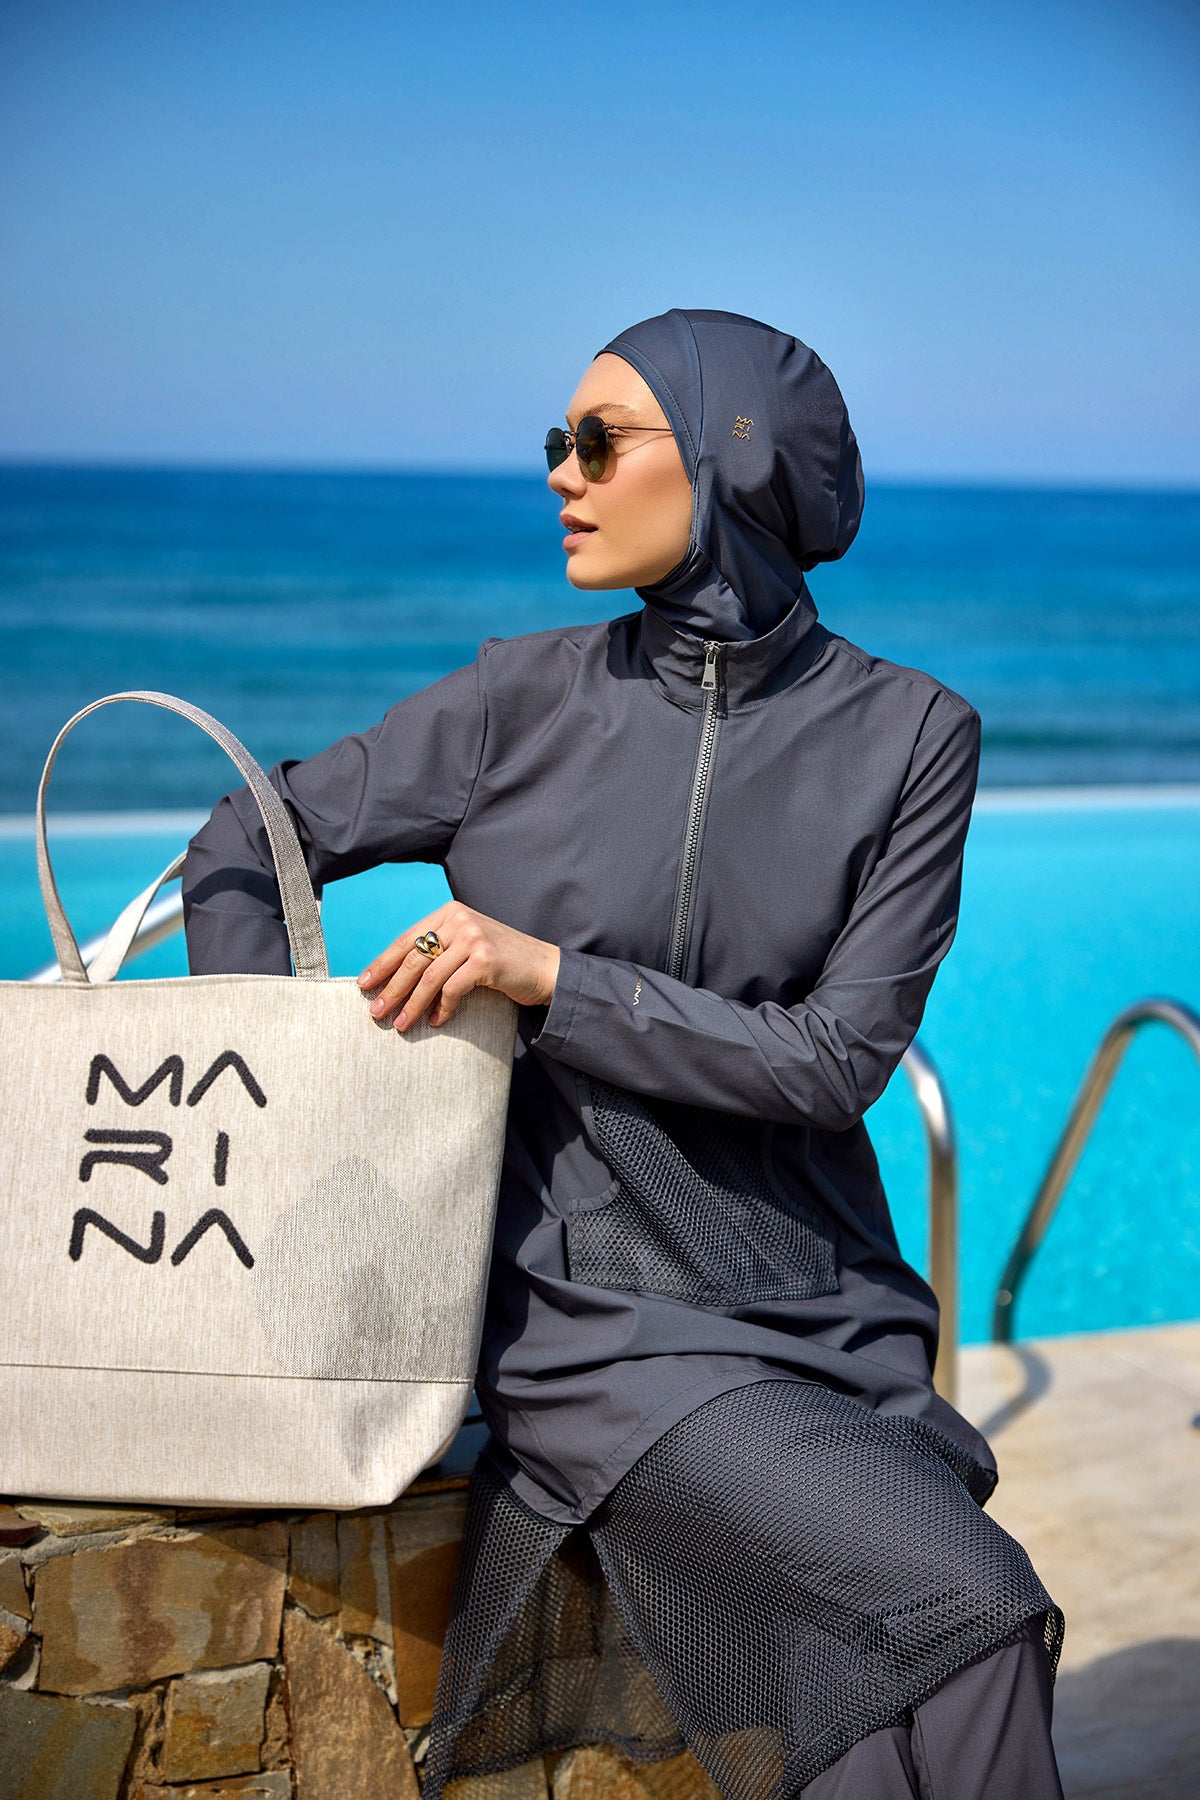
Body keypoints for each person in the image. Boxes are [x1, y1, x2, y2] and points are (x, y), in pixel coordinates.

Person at [182, 308, 1066, 1798]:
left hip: (827, 1304)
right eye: (559, 443)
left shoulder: (914, 736)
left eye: (599, 442)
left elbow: (835, 1063)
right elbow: (244, 841)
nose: (561, 474)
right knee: (973, 1611)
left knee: (862, 1708)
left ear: (733, 460)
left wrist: (551, 978)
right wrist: (288, 1098)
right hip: (594, 1315)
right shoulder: (512, 700)